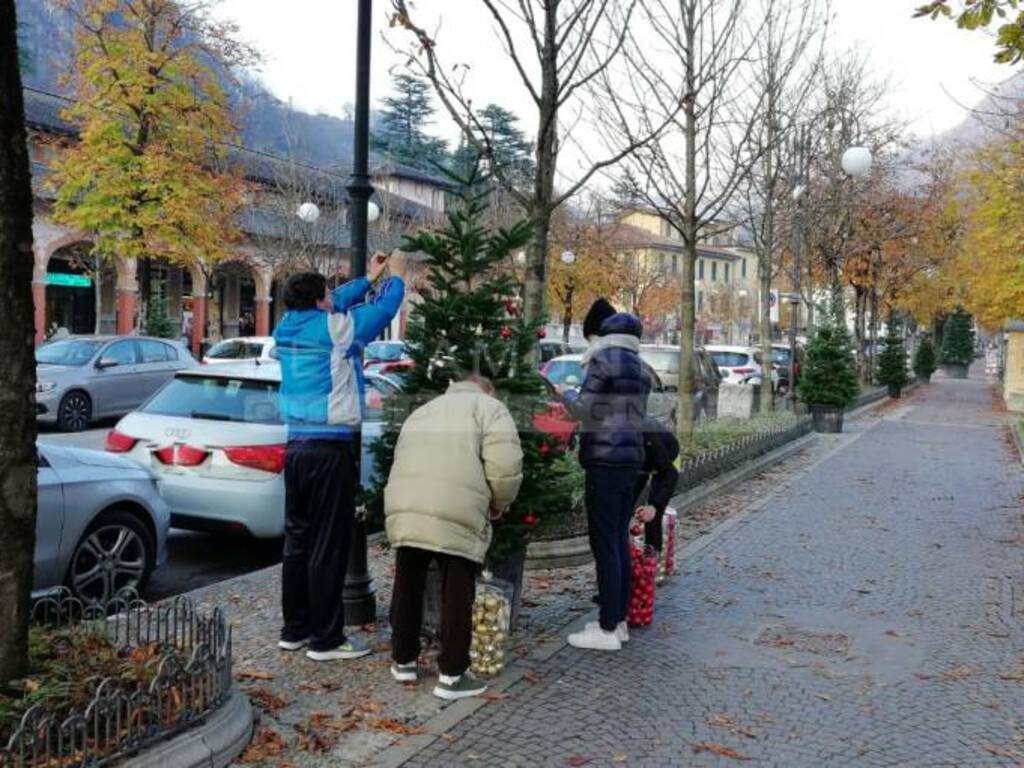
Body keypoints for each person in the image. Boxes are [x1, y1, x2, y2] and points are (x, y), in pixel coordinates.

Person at [273, 251, 405, 662]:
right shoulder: (336, 330)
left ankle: (294, 629)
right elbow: (381, 312)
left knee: (297, 540)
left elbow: (340, 301)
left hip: (296, 446)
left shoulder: (286, 327)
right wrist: (395, 279)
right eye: (327, 293)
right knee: (328, 546)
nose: (333, 296)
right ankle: (326, 639)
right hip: (331, 448)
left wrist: (368, 275)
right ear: (318, 302)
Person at [384, 375, 523, 700]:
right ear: (487, 390)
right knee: (457, 591)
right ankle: (452, 674)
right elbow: (504, 466)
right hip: (457, 507)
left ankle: (402, 660)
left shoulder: (423, 410)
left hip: (407, 504)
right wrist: (499, 503)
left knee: (407, 584)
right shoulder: (490, 408)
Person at [563, 298, 649, 651]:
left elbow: (585, 409)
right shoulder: (639, 365)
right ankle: (620, 621)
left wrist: (565, 393)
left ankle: (607, 627)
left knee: (605, 543)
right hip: (630, 460)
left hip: (605, 459)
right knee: (618, 541)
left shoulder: (603, 360)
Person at [633, 415, 680, 553]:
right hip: (640, 465)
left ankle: (653, 557)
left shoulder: (647, 433)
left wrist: (654, 505)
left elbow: (669, 474)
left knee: (653, 516)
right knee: (625, 507)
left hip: (666, 462)